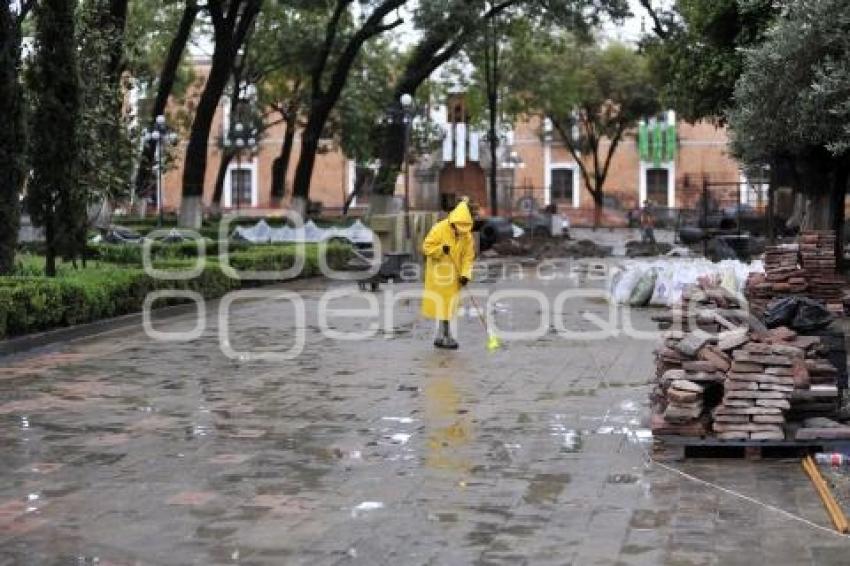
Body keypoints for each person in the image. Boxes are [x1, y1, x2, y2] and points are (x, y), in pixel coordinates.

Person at [421, 198, 475, 350]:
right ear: (453, 222)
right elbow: (426, 247)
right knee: (444, 306)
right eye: (458, 228)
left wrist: (466, 274)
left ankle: (440, 336)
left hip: (455, 276)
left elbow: (468, 257)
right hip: (439, 275)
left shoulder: (467, 236)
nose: (460, 232)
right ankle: (447, 336)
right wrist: (440, 250)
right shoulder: (439, 229)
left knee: (448, 307)